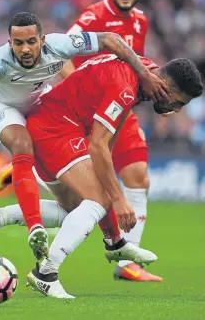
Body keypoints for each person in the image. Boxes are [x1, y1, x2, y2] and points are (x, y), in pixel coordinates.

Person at [0, 11, 168, 261]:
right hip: (3, 108)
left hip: (41, 104)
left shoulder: (60, 44)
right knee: (22, 142)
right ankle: (35, 226)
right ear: (10, 44)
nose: (25, 49)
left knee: (72, 206)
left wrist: (144, 73)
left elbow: (111, 40)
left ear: (42, 39)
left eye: (31, 41)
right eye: (18, 43)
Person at [0, 0, 165, 280]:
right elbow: (59, 54)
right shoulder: (93, 15)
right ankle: (30, 168)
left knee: (138, 177)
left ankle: (126, 261)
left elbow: (131, 65)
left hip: (119, 104)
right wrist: (73, 94)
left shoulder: (141, 20)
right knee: (90, 190)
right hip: (88, 106)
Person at [23, 55, 203, 298]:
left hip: (63, 125)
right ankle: (45, 273)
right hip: (53, 128)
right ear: (167, 88)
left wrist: (110, 184)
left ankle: (115, 244)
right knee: (100, 201)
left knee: (88, 200)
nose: (176, 110)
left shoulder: (144, 71)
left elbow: (105, 142)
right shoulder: (126, 86)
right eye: (178, 102)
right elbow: (97, 145)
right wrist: (119, 200)